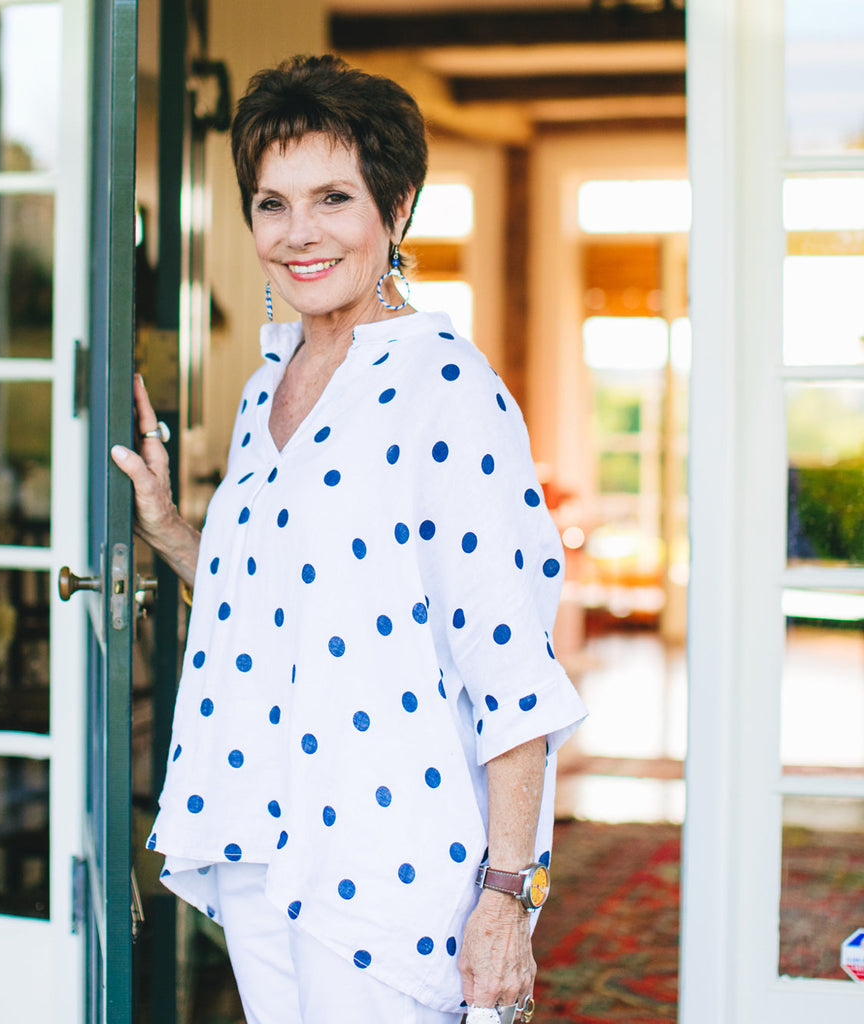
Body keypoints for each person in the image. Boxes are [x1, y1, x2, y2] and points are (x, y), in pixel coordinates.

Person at [111, 54, 587, 1024]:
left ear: (395, 206)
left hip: (385, 865)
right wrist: (168, 528)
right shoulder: (264, 386)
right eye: (271, 203)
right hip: (259, 833)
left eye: (333, 197)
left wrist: (506, 897)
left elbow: (510, 668)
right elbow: (273, 607)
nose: (298, 234)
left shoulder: (443, 387)